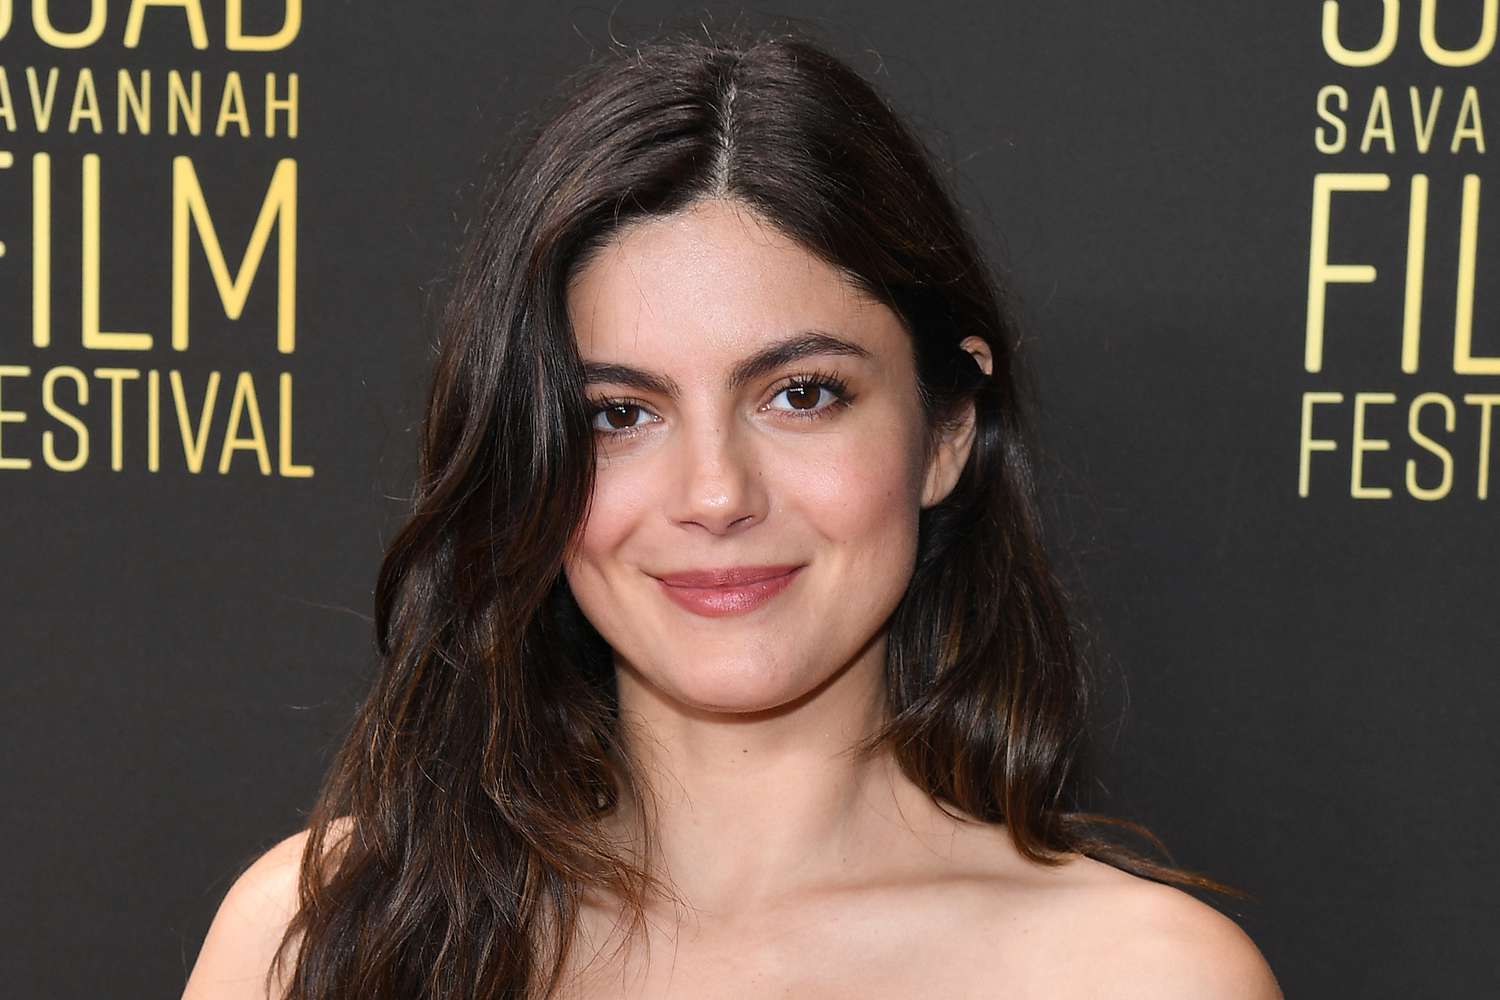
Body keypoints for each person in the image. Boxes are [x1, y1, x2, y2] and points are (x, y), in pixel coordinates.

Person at [184, 21, 1282, 999]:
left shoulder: (1140, 978)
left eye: (801, 395)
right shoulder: (319, 936)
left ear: (947, 430)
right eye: (620, 413)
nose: (715, 494)